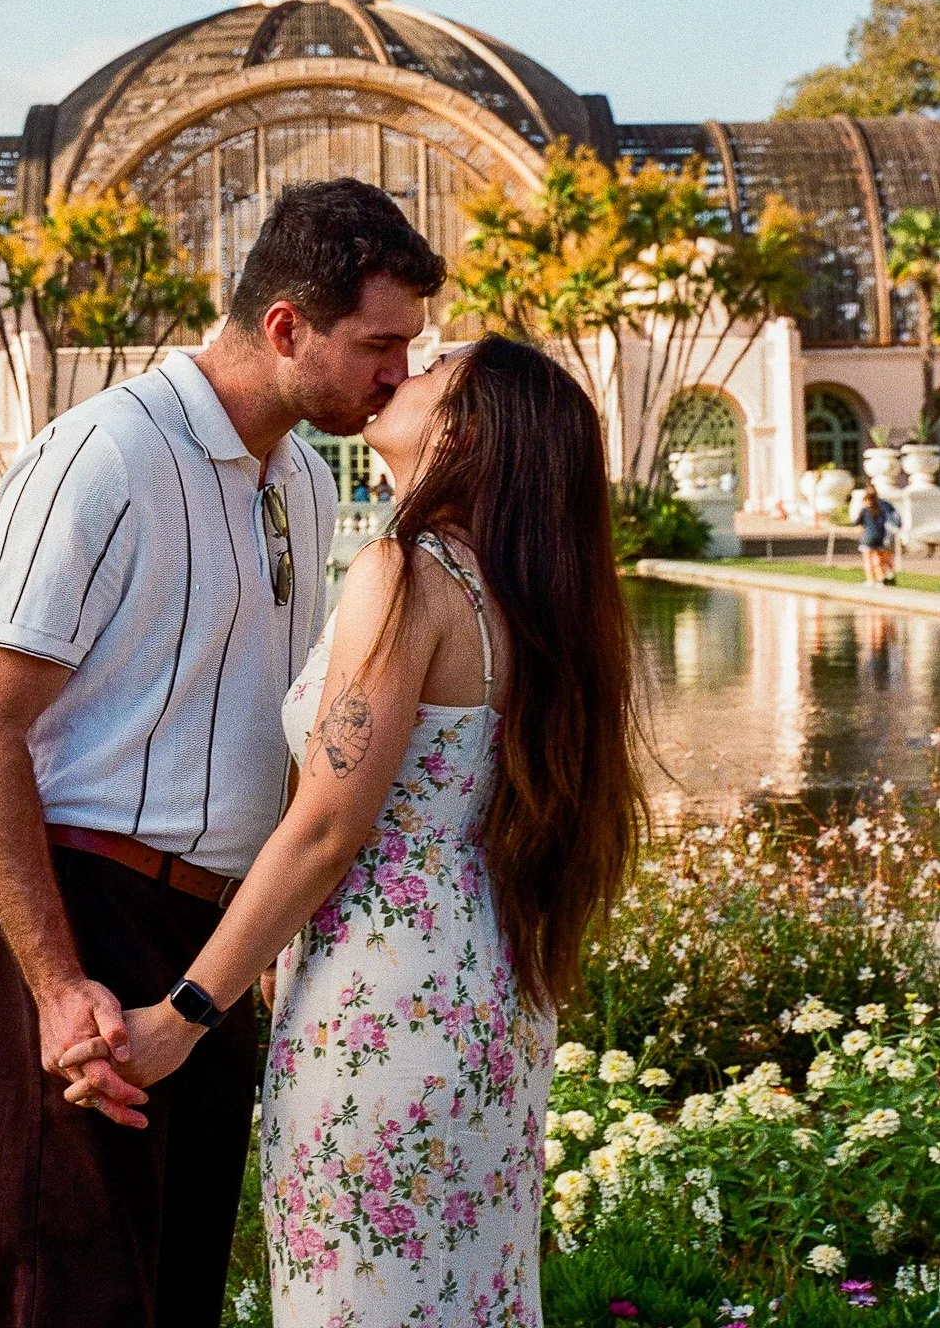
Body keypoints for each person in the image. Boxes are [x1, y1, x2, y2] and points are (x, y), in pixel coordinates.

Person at [0, 178, 445, 1328]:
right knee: (72, 1286)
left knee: (177, 1282)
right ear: (283, 326)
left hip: (214, 937)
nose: (398, 375)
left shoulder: (305, 481)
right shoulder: (102, 456)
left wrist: (249, 947)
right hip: (85, 901)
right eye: (377, 343)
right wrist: (58, 984)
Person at [67, 335, 647, 1327]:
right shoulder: (528, 593)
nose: (397, 372)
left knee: (359, 1295)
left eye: (430, 372)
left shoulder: (409, 571)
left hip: (381, 1005)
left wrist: (184, 1011)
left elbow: (328, 824)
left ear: (467, 428)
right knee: (467, 1296)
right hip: (491, 989)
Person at [856, 478, 900, 583]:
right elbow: (894, 518)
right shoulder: (883, 507)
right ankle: (882, 578)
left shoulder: (865, 510)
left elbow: (857, 523)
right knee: (878, 558)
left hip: (868, 537)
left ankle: (871, 579)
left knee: (868, 559)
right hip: (881, 536)